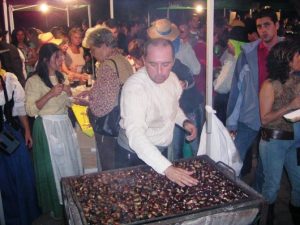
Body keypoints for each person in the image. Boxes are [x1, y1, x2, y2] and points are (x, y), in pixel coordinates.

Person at [116, 38, 198, 187]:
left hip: (161, 150)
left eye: (165, 64)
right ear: (144, 61)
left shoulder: (172, 79)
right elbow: (135, 135)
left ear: (173, 62)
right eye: (153, 64)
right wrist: (166, 168)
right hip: (133, 154)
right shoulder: (135, 88)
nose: (159, 72)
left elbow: (173, 106)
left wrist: (184, 122)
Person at [226, 8, 284, 191]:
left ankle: (258, 201)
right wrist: (231, 122)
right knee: (233, 158)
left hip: (276, 118)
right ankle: (231, 193)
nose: (263, 30)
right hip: (249, 116)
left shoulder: (289, 52)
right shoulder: (248, 53)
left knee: (265, 167)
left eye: (267, 25)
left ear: (277, 25)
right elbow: (237, 89)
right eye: (259, 26)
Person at [25, 43, 83, 219]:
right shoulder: (33, 81)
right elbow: (31, 110)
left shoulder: (62, 77)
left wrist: (70, 93)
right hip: (47, 127)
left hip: (63, 124)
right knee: (54, 168)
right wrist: (50, 93)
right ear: (45, 60)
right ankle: (56, 207)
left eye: (61, 56)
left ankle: (71, 204)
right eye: (57, 57)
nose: (61, 60)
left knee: (69, 164)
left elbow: (67, 103)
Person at [77, 26, 133, 171]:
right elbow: (114, 88)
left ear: (104, 46)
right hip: (124, 121)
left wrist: (88, 104)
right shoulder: (122, 60)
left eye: (93, 49)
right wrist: (92, 91)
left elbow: (104, 106)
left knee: (110, 168)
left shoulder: (107, 66)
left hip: (109, 128)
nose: (92, 52)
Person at [259, 40, 300, 225]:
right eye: (297, 55)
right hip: (274, 141)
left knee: (299, 184)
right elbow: (265, 119)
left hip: (296, 140)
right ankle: (265, 220)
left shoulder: (298, 80)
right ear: (287, 59)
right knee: (272, 187)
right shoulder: (269, 85)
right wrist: (290, 106)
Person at [0, 52, 40, 225]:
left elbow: (19, 108)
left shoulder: (8, 79)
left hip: (9, 133)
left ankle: (24, 215)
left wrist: (27, 132)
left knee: (21, 172)